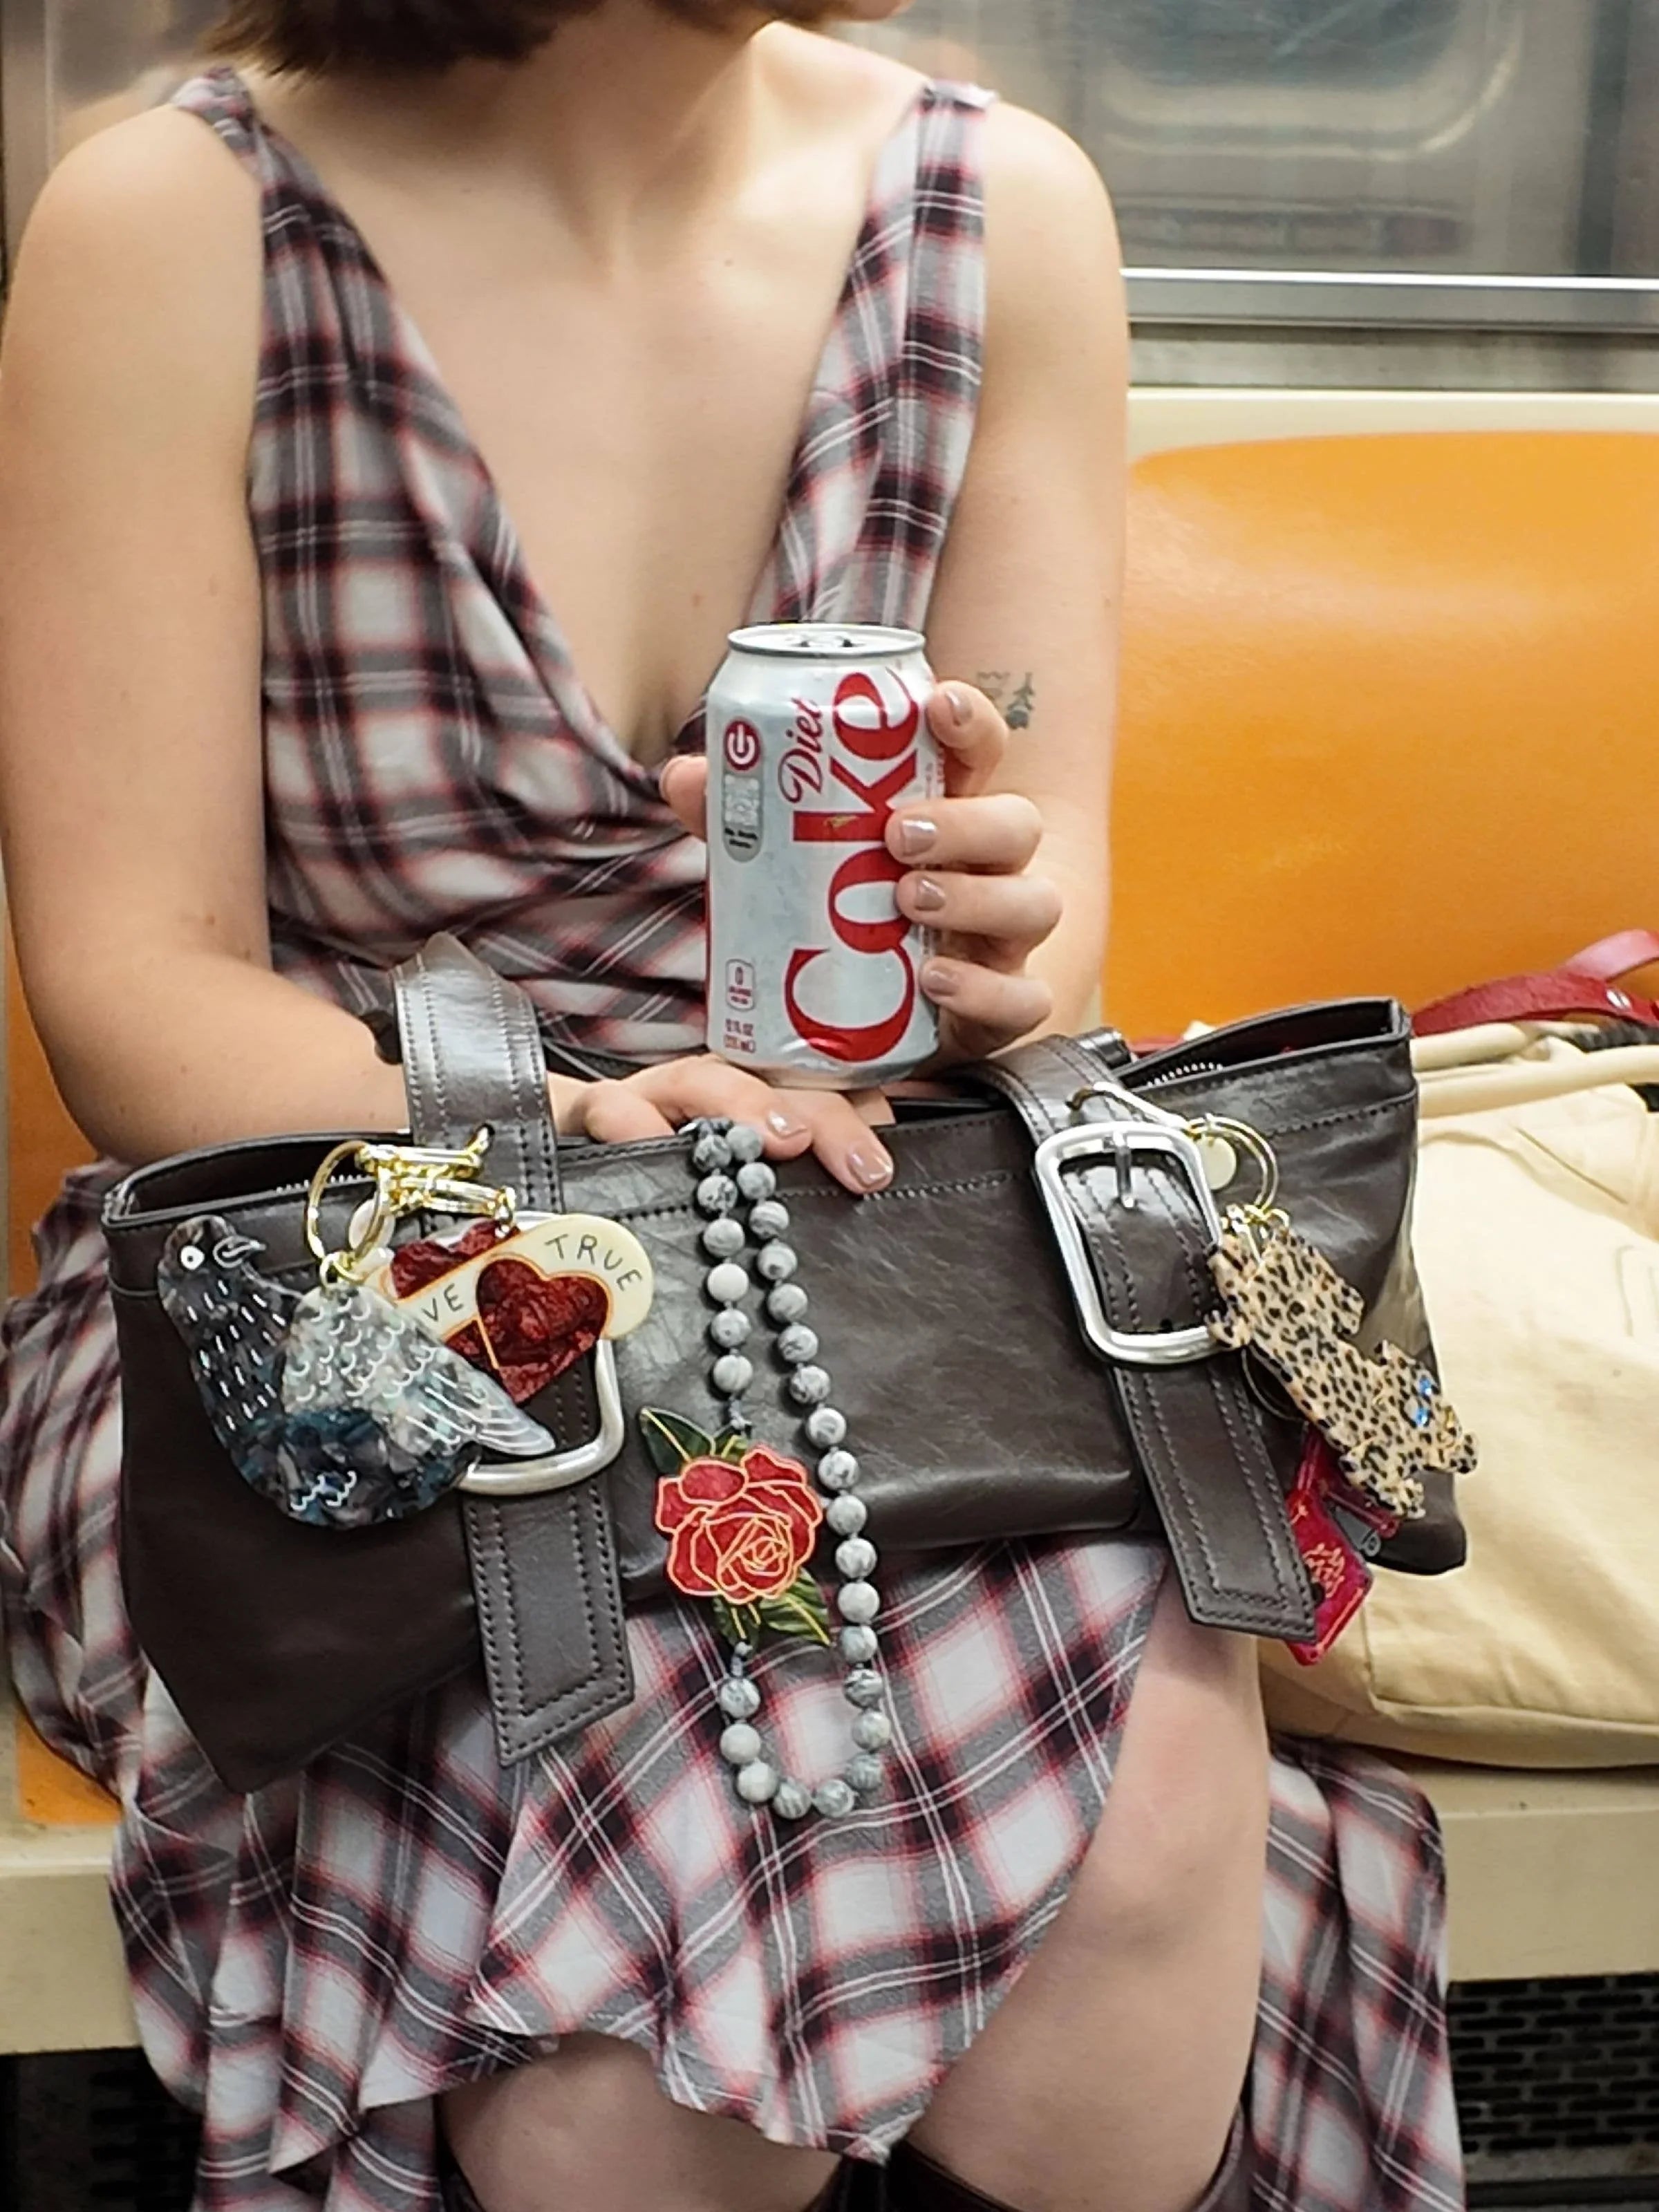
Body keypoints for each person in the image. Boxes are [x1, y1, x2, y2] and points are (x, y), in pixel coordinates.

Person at [0, 4, 1463, 2208]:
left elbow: (1040, 926)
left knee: (1150, 1811)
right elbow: (139, 995)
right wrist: (574, 1126)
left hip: (875, 1239)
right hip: (348, 1247)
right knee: (616, 2001)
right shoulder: (179, 225)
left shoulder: (1000, 212)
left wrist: (989, 934)